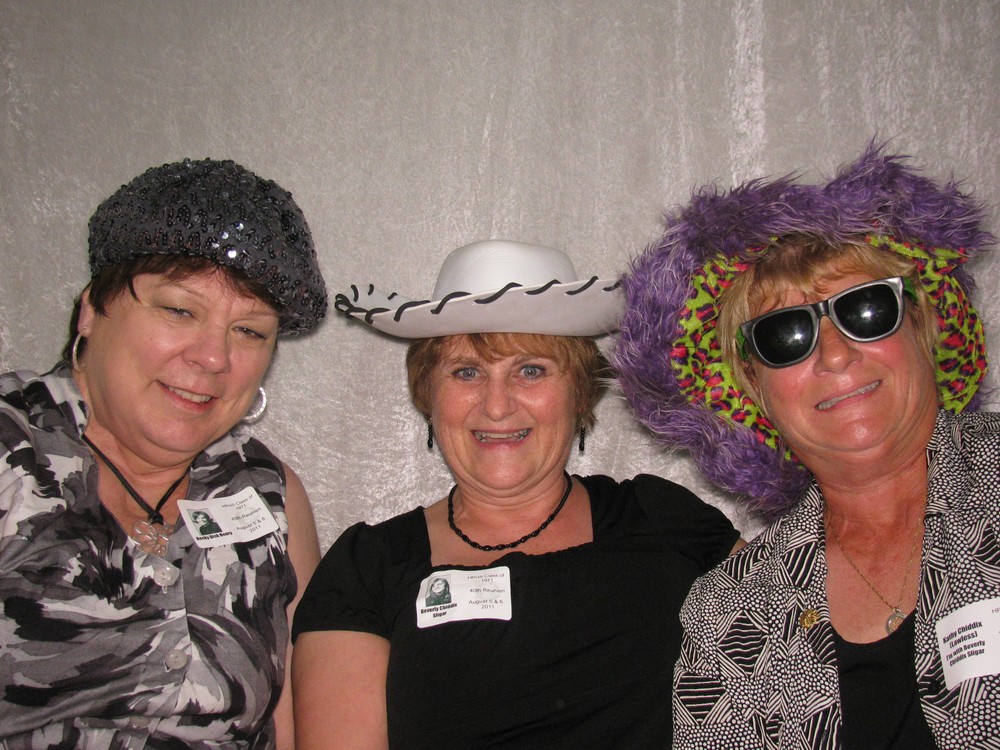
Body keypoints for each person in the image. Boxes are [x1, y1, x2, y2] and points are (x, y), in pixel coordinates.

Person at [613, 144, 1000, 748]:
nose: (835, 354)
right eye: (784, 335)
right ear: (753, 389)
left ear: (924, 328)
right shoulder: (729, 609)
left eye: (866, 308)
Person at [292, 239, 742, 748]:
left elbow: (792, 663)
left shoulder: (665, 521)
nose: (497, 406)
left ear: (579, 392)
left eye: (531, 370)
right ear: (428, 393)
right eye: (467, 372)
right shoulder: (366, 570)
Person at [0, 159, 328, 747]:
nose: (213, 357)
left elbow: (295, 726)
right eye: (180, 310)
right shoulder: (11, 447)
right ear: (91, 309)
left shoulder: (268, 493)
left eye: (250, 331)